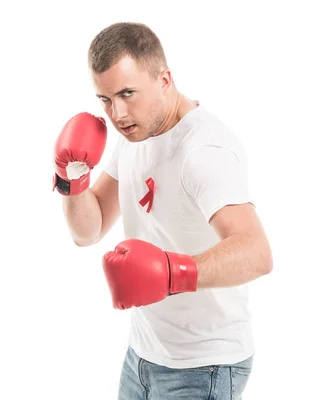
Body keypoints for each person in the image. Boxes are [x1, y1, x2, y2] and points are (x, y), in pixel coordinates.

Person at [52, 22, 273, 400]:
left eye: (126, 93)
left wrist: (173, 273)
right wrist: (71, 179)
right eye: (105, 99)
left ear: (165, 79)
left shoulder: (204, 151)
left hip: (205, 365)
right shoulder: (135, 135)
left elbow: (257, 253)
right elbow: (87, 231)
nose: (117, 114)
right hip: (143, 354)